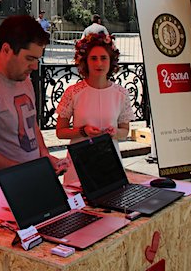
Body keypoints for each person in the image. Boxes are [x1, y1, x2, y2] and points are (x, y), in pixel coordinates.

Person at [0, 15, 69, 213]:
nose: (35, 66)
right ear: (6, 50)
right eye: (29, 58)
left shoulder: (22, 77)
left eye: (37, 59)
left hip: (22, 188)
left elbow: (31, 122)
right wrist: (28, 174)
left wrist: (44, 155)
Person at [55, 32, 133, 185]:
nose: (99, 63)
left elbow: (125, 130)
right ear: (85, 61)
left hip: (110, 163)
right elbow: (60, 132)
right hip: (79, 164)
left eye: (103, 58)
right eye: (93, 58)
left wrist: (115, 133)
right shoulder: (73, 92)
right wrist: (83, 131)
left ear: (111, 61)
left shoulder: (121, 94)